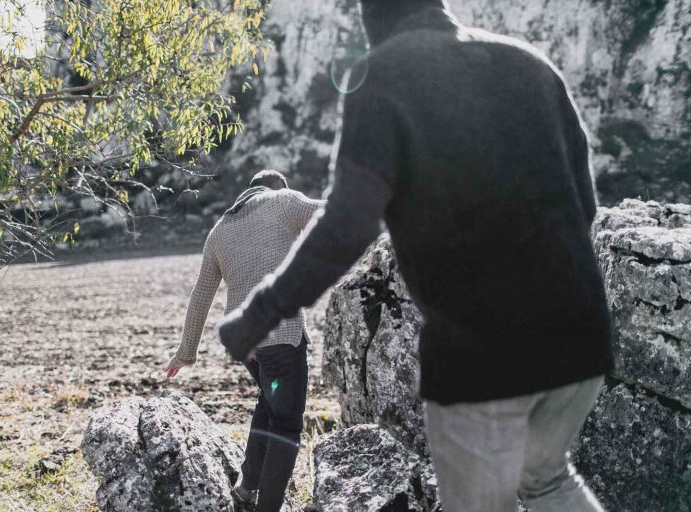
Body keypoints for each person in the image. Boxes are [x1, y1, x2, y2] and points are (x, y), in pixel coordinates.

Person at [218, 1, 614, 511]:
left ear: (372, 14)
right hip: (580, 337)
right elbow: (584, 206)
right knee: (547, 480)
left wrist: (259, 313)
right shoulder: (532, 65)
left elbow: (347, 224)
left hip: (483, 350)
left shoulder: (381, 77)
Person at [165, 170, 325, 512]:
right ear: (277, 187)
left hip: (248, 347)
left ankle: (245, 487)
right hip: (281, 339)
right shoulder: (284, 201)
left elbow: (200, 296)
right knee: (286, 424)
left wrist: (185, 353)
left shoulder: (218, 232)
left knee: (269, 402)